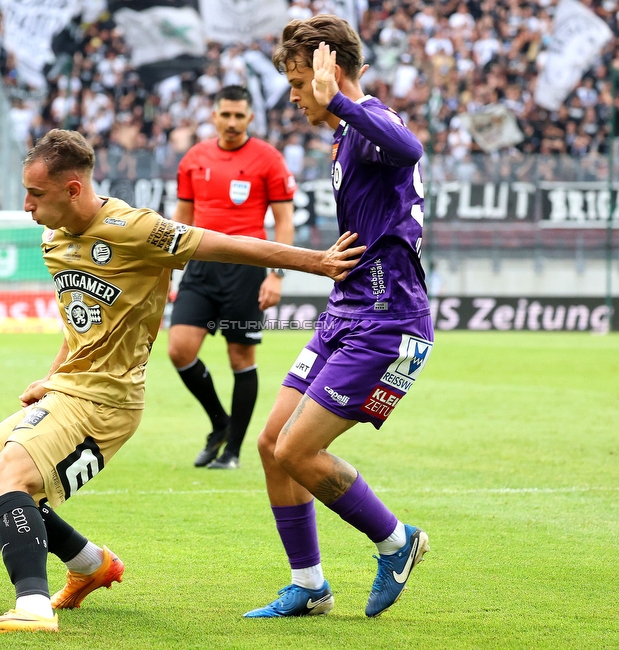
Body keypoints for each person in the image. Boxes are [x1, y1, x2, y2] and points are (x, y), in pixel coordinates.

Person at [0, 129, 362, 633]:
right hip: (68, 390)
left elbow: (224, 245)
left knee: (3, 480)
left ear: (73, 188)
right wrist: (53, 375)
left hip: (107, 402)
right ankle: (90, 565)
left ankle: (32, 608)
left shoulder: (136, 228)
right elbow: (79, 317)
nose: (26, 206)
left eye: (36, 194)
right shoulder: (53, 236)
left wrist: (314, 263)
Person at [243, 17, 432, 620]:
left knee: (298, 451)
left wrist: (341, 102)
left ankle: (397, 541)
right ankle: (309, 585)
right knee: (272, 444)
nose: (294, 95)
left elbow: (410, 148)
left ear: (332, 71)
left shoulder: (371, 122)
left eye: (300, 81)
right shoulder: (346, 135)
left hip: (388, 320)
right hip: (345, 310)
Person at [168, 85, 297, 470]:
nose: (231, 122)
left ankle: (234, 451)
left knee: (240, 356)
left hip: (247, 269)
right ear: (214, 115)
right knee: (179, 350)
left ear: (250, 118)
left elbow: (284, 221)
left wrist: (276, 274)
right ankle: (219, 423)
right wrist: (167, 265)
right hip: (201, 265)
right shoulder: (194, 158)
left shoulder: (268, 159)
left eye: (239, 115)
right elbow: (182, 216)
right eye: (225, 114)